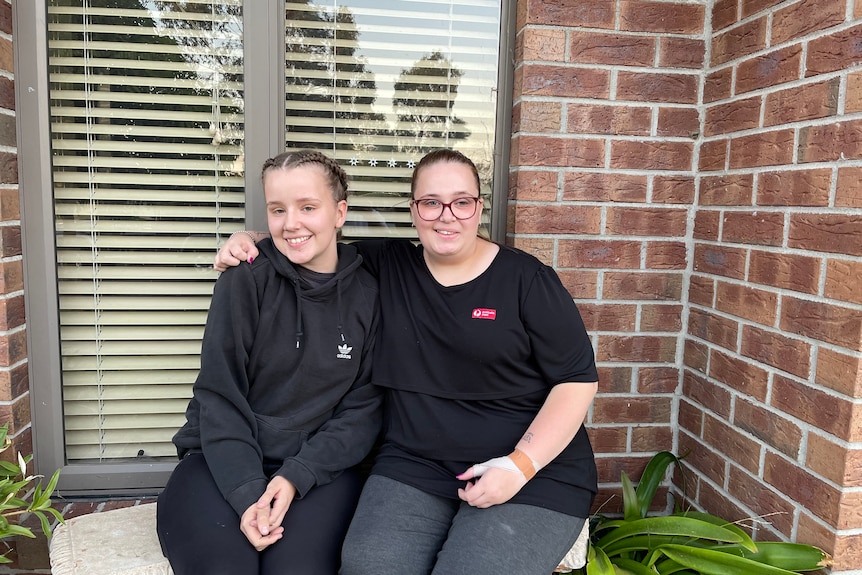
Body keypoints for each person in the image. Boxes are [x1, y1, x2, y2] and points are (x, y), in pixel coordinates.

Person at [214, 149, 599, 575]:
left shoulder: (527, 280)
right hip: (415, 465)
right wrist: (250, 241)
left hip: (528, 473)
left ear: (478, 208)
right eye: (431, 202)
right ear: (414, 211)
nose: (445, 216)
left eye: (461, 202)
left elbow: (576, 381)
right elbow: (310, 240)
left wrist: (519, 465)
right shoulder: (389, 265)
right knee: (368, 566)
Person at [157, 150, 382, 575]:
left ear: (340, 213)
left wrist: (297, 475)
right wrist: (246, 493)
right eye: (278, 209)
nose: (290, 223)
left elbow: (364, 410)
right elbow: (219, 395)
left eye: (307, 207)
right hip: (218, 462)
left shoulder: (370, 293)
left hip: (319, 471)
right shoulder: (245, 279)